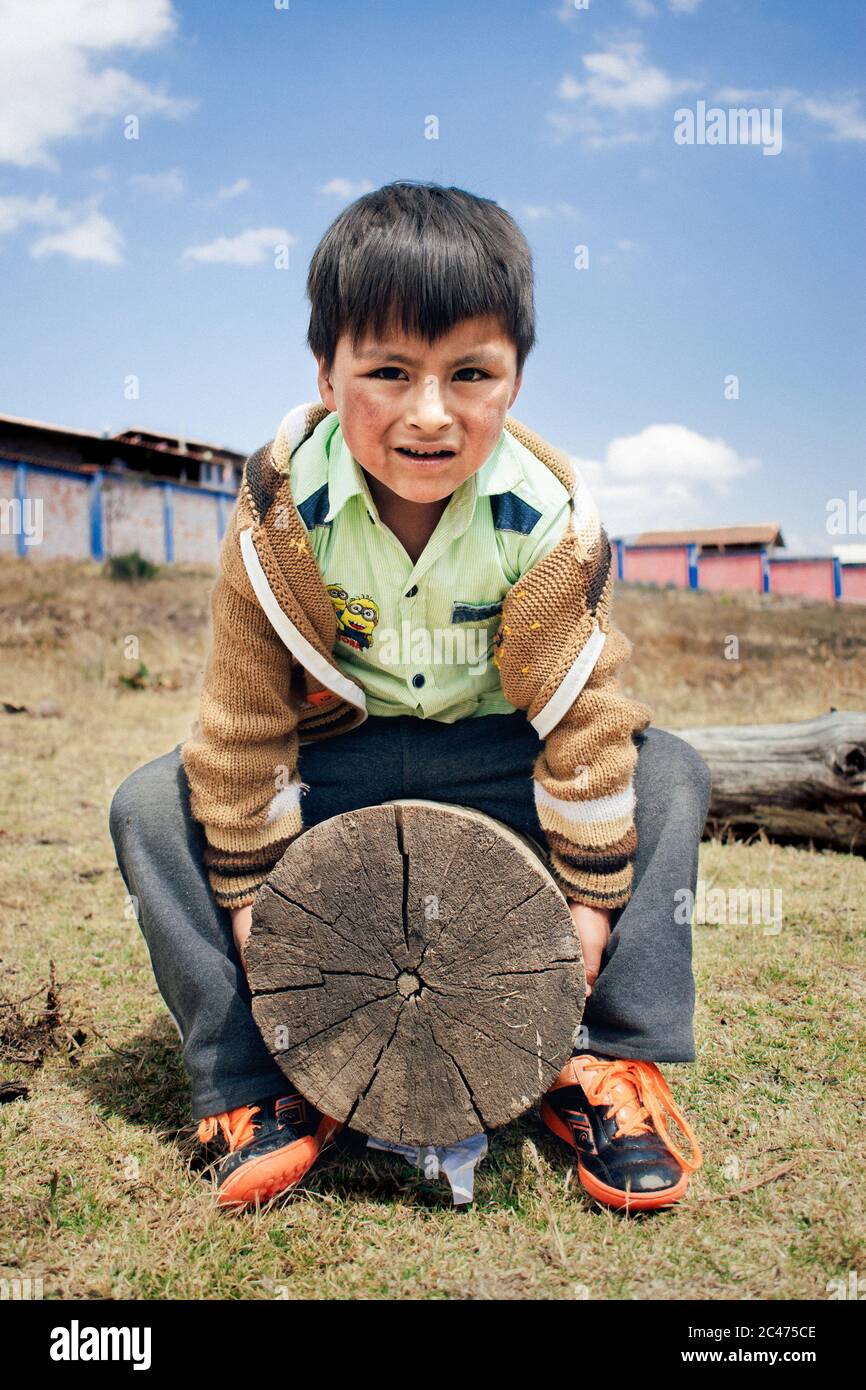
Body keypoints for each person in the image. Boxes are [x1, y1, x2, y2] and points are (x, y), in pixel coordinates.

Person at [109, 181, 712, 1214]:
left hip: (491, 760)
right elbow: (244, 730)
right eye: (387, 372)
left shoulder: (551, 526)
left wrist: (586, 919)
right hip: (335, 763)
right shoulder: (275, 519)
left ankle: (598, 1064)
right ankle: (255, 1087)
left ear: (514, 380)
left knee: (669, 773)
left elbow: (581, 725)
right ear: (327, 374)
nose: (428, 413)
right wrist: (258, 922)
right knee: (149, 805)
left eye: (468, 374)